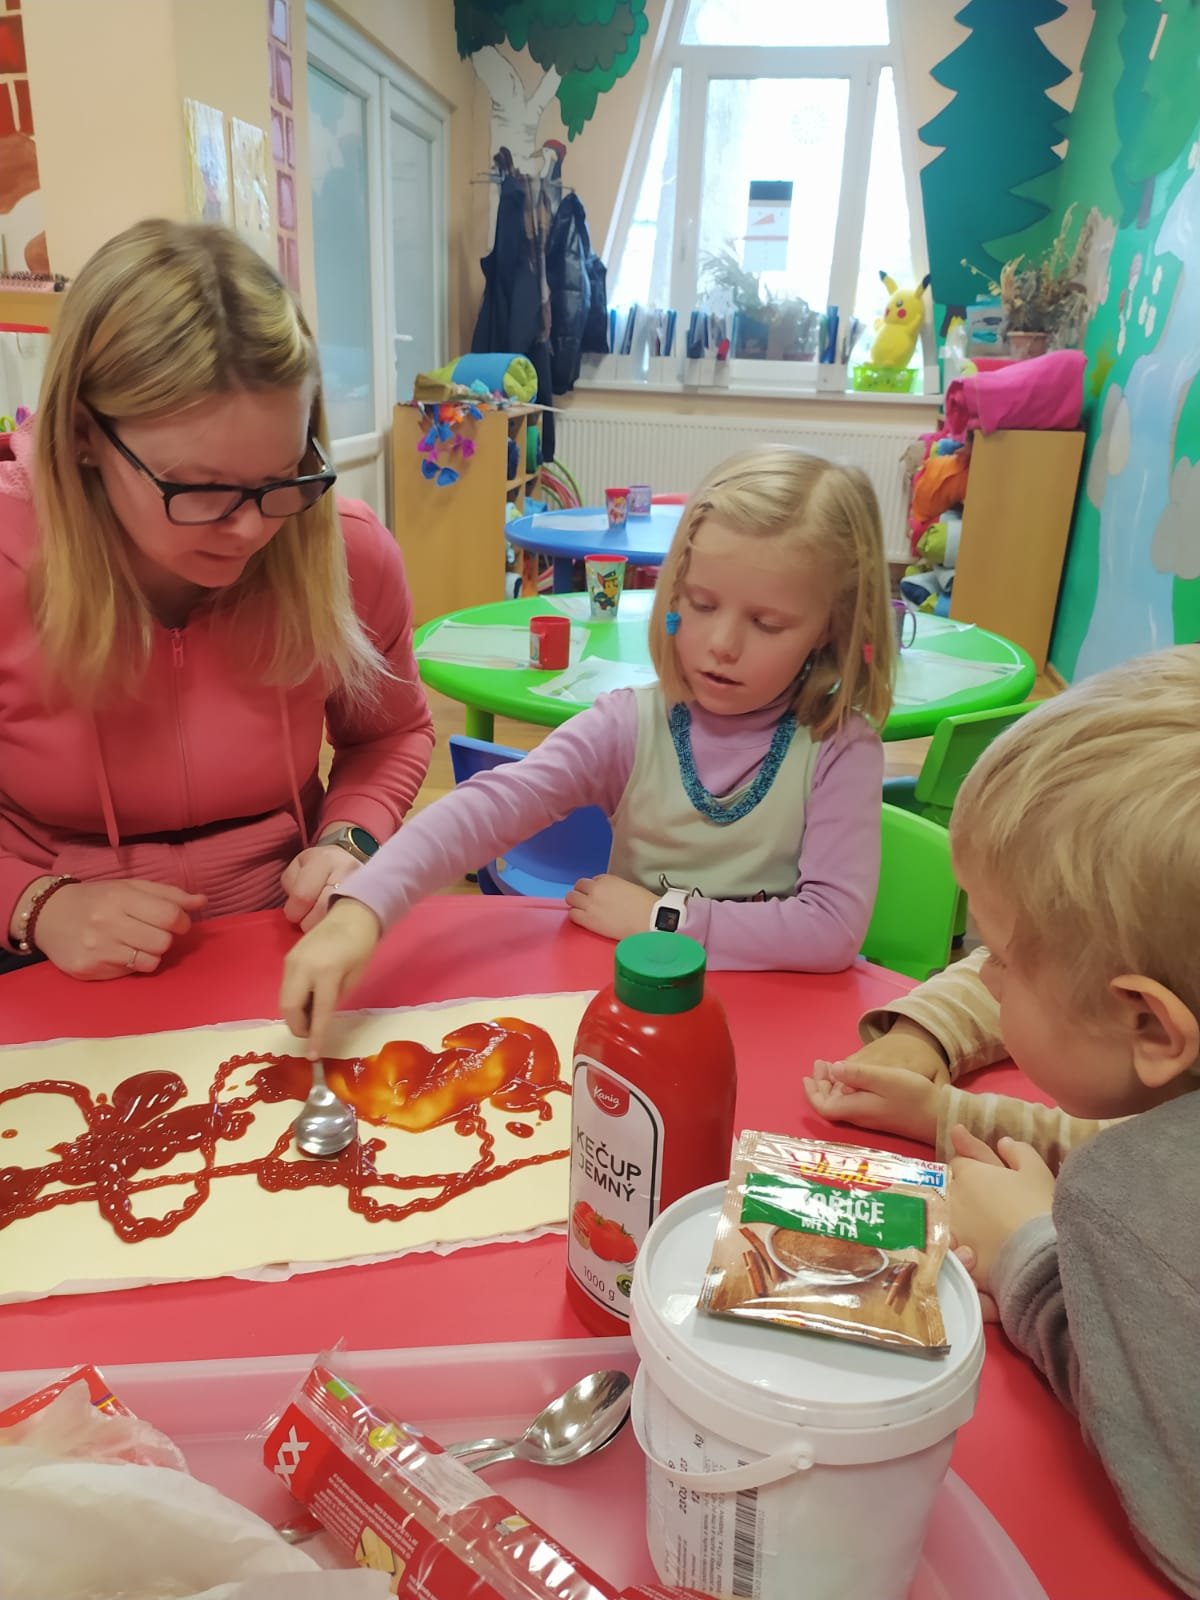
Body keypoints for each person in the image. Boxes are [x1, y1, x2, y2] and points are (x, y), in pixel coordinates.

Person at [281, 446, 896, 1053]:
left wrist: (662, 920)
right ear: (674, 595)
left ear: (832, 627)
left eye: (767, 624)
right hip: (638, 1030)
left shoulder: (839, 749)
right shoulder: (629, 725)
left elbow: (829, 930)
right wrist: (363, 908)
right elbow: (491, 806)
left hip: (778, 1029)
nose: (722, 643)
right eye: (702, 604)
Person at [808, 648, 1200, 1598]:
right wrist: (937, 1084)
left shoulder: (1132, 1206)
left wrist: (1032, 1260)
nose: (979, 972)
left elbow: (1178, 1492)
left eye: (1000, 959)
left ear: (1152, 1025)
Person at [0, 219, 434, 981]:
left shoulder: (349, 550)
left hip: (286, 938)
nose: (251, 530)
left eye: (281, 478)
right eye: (199, 489)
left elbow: (389, 735)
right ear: (83, 435)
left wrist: (350, 838)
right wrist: (35, 904)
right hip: (45, 954)